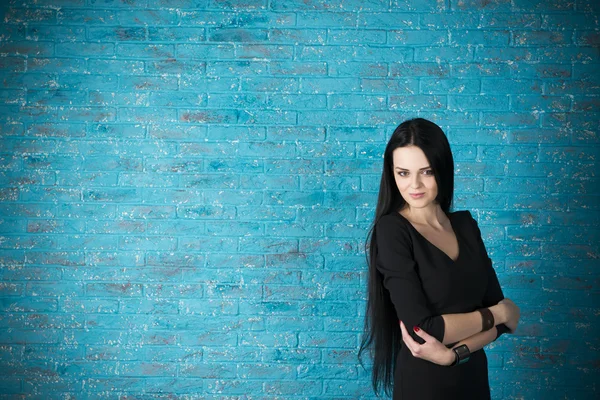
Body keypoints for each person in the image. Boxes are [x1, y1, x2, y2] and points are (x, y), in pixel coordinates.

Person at [358, 118, 521, 399]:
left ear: (442, 170)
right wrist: (496, 314)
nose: (415, 185)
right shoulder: (393, 231)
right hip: (424, 386)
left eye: (426, 172)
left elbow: (507, 323)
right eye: (403, 173)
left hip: (473, 382)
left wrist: (453, 356)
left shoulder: (466, 226)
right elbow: (424, 329)